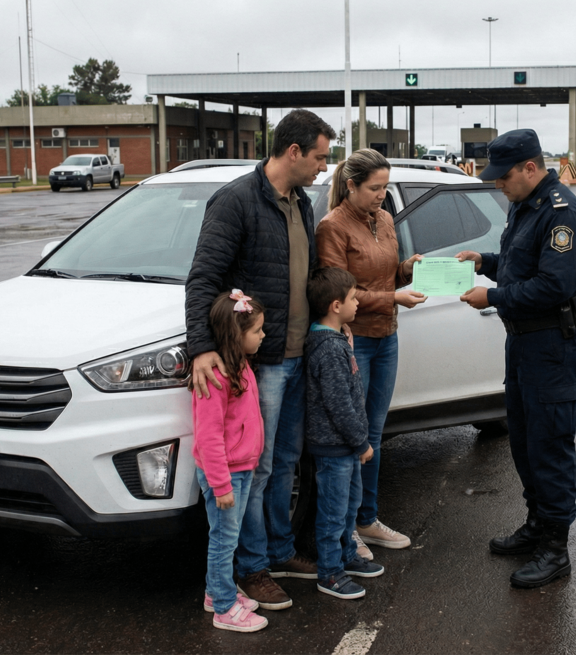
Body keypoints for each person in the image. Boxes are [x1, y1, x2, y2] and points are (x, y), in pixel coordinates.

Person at [186, 109, 337, 610]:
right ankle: (251, 568)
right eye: (319, 157)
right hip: (263, 364)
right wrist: (202, 346)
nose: (323, 167)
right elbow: (203, 278)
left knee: (285, 464)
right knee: (256, 468)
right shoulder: (236, 201)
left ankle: (278, 551)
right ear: (293, 151)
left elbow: (307, 276)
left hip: (296, 356)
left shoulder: (302, 203)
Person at [454, 128, 576, 589]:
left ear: (530, 168)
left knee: (549, 444)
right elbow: (520, 263)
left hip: (553, 344)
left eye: (504, 176)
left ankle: (555, 548)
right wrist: (485, 261)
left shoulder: (562, 213)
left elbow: (554, 285)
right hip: (523, 343)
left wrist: (492, 296)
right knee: (525, 441)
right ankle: (537, 524)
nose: (498, 184)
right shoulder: (524, 204)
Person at [315, 149, 425, 560]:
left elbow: (386, 274)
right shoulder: (332, 227)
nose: (382, 195)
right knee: (352, 437)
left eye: (385, 187)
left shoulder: (383, 219)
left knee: (374, 435)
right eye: (375, 188)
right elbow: (337, 293)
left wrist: (407, 270)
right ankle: (347, 530)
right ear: (351, 185)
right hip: (353, 340)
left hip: (386, 336)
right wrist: (393, 297)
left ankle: (366, 519)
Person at [304, 267, 386, 599]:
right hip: (335, 447)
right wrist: (361, 442)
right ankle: (330, 573)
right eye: (353, 298)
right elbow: (338, 404)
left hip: (346, 447)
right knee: (333, 512)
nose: (358, 303)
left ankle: (346, 556)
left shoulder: (336, 340)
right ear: (336, 306)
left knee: (350, 505)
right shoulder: (327, 349)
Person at [191, 290, 268, 632]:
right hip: (225, 476)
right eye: (257, 330)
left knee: (228, 538)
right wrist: (221, 485)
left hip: (241, 468)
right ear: (237, 335)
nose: (263, 335)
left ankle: (215, 592)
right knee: (224, 541)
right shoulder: (216, 378)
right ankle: (224, 608)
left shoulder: (242, 366)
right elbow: (208, 437)